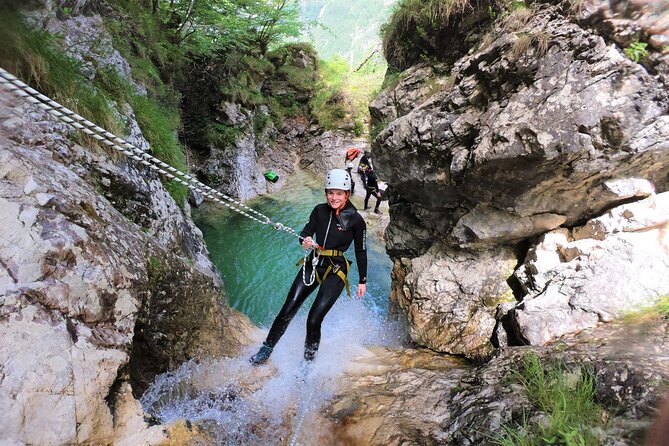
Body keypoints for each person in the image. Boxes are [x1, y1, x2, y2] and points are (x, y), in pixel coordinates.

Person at [249, 169, 367, 365]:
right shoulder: (319, 210)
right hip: (314, 262)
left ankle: (308, 363)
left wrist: (363, 280)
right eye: (330, 192)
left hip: (336, 271)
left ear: (347, 194)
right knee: (289, 307)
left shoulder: (356, 220)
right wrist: (305, 239)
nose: (334, 197)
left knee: (313, 319)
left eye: (339, 193)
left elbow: (361, 251)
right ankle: (266, 348)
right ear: (326, 192)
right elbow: (306, 231)